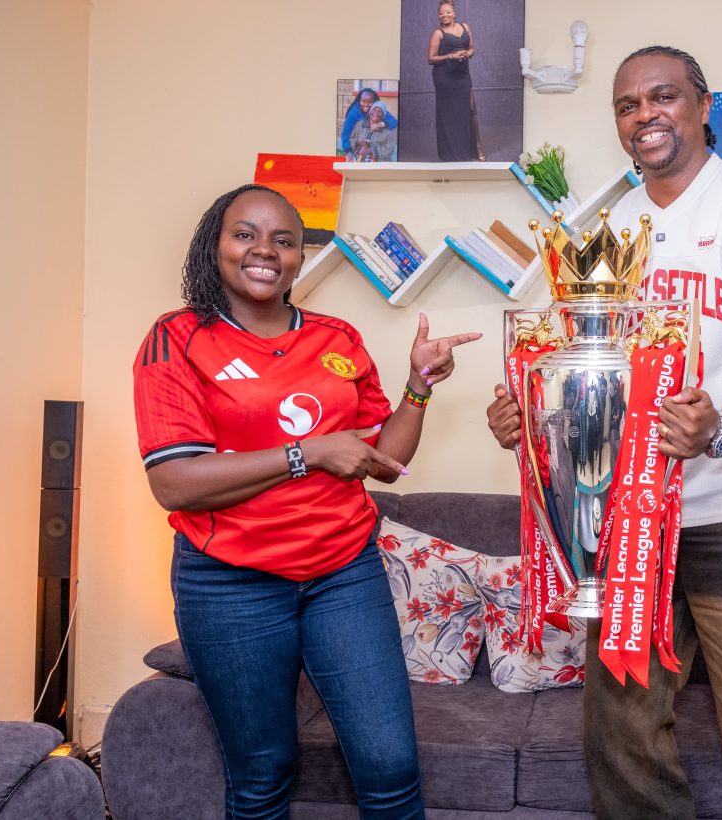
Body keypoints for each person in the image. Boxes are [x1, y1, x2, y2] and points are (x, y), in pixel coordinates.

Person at [486, 46, 722, 819]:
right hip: (627, 519)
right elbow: (576, 374)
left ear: (703, 105)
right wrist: (526, 415)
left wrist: (721, 426)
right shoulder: (603, 229)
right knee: (622, 735)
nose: (644, 115)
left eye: (663, 97)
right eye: (626, 105)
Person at [133, 183, 479, 819]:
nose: (265, 250)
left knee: (391, 765)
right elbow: (173, 482)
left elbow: (388, 462)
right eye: (245, 234)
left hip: (344, 573)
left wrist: (419, 386)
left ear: (299, 258)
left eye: (284, 240)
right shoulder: (177, 338)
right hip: (230, 584)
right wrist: (309, 453)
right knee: (263, 775)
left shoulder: (336, 338)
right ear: (215, 246)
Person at [428, 0, 484, 161]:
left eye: (447, 12)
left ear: (454, 13)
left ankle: (478, 149)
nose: (444, 15)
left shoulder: (465, 27)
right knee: (449, 114)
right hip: (444, 77)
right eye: (441, 13)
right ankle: (451, 153)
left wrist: (468, 54)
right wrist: (451, 56)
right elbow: (430, 59)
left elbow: (472, 48)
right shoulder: (438, 33)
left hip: (462, 75)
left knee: (470, 109)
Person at [340, 88, 398, 157]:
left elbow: (394, 122)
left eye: (370, 102)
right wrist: (348, 151)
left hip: (374, 148)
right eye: (363, 101)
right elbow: (345, 133)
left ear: (374, 102)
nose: (366, 105)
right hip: (357, 148)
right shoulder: (353, 113)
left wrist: (380, 124)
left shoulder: (376, 111)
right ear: (359, 101)